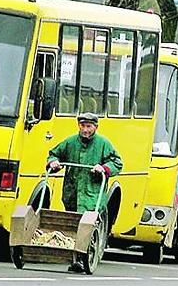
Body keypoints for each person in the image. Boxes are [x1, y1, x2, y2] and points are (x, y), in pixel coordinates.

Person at [47, 112, 123, 272]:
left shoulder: (103, 144)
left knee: (86, 225)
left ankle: (82, 258)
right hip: (72, 193)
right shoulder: (70, 142)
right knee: (73, 225)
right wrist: (53, 162)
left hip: (92, 195)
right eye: (82, 126)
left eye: (89, 126)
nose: (85, 130)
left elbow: (117, 162)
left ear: (95, 127)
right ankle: (73, 258)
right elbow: (54, 153)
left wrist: (103, 168)